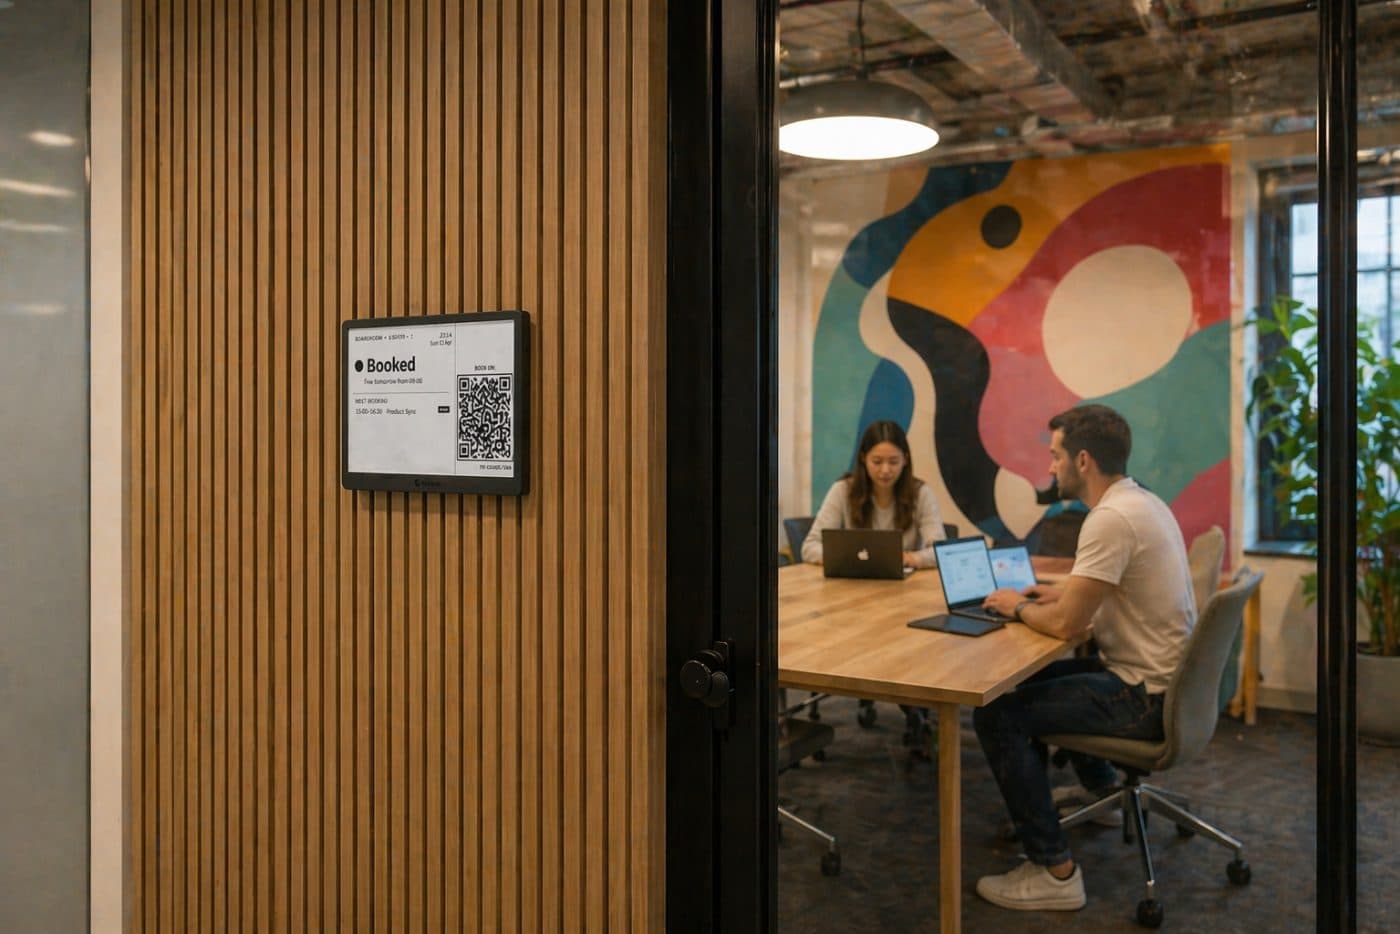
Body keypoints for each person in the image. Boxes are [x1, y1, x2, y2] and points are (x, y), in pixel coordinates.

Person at [971, 404, 1196, 913]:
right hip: (1163, 683)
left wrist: (1017, 606)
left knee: (998, 713)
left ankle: (1055, 871)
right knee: (1034, 683)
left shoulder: (1110, 519)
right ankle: (1101, 793)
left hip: (1141, 697)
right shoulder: (1142, 501)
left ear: (1084, 460)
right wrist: (1059, 595)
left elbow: (1068, 626)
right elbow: (1104, 593)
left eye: (1056, 456)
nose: (1050, 467)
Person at [800, 420, 947, 570]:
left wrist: (910, 558)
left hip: (906, 580)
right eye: (877, 462)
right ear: (863, 458)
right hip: (854, 579)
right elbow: (810, 547)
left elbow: (941, 551)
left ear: (905, 460)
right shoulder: (843, 490)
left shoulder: (921, 493)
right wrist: (846, 557)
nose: (885, 470)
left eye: (893, 462)